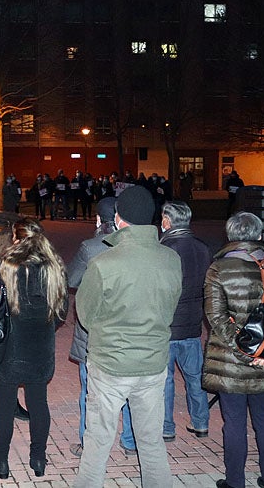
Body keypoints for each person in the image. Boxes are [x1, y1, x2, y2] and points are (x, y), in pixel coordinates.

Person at [75, 185, 181, 488]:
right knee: (151, 442)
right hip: (152, 364)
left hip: (110, 365)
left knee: (98, 441)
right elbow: (169, 308)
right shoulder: (171, 259)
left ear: (119, 218)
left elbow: (85, 316)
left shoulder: (104, 264)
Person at [202, 211, 264, 488]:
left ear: (231, 236)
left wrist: (247, 351)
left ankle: (235, 482)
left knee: (233, 421)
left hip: (232, 361)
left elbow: (217, 319)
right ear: (258, 236)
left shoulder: (218, 270)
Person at [0, 218, 68, 479]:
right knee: (39, 403)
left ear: (17, 237)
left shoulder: (7, 265)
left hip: (10, 347)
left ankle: (1, 460)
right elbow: (62, 312)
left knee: (3, 407)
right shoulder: (55, 266)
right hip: (40, 346)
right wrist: (45, 325)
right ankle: (38, 458)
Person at [66, 196, 137, 459]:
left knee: (91, 392)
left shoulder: (90, 247)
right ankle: (129, 441)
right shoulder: (136, 247)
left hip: (94, 331)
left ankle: (90, 443)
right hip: (128, 328)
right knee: (128, 390)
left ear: (98, 220)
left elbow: (71, 279)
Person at [159, 201, 212, 443]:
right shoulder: (203, 247)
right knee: (194, 377)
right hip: (192, 322)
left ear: (167, 221)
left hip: (168, 324)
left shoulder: (164, 249)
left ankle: (166, 427)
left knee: (166, 380)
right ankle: (201, 422)